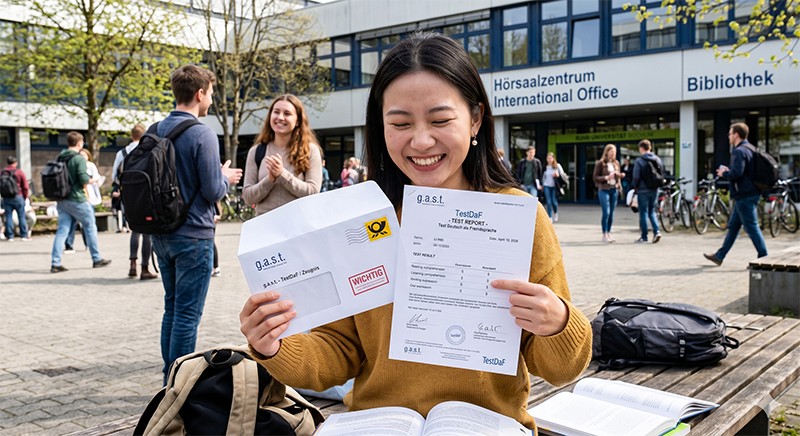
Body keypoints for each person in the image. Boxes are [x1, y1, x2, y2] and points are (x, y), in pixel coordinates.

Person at [239, 33, 592, 432]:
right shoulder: (360, 219)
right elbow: (337, 352)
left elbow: (562, 369)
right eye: (400, 123)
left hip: (486, 425)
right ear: (380, 126)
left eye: (441, 120)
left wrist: (559, 321)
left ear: (475, 118)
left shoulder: (518, 217)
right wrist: (274, 345)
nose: (421, 141)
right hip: (378, 424)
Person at [151, 65, 242, 384]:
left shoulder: (155, 129)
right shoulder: (202, 132)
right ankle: (177, 384)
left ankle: (167, 376)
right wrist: (225, 177)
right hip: (193, 236)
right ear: (200, 93)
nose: (212, 100)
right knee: (187, 315)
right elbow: (212, 190)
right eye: (212, 93)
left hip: (161, 235)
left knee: (172, 308)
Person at [242, 94, 321, 216]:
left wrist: (282, 174)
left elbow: (313, 192)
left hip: (298, 227)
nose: (280, 117)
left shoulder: (310, 150)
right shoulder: (256, 151)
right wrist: (269, 180)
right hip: (265, 228)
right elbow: (248, 198)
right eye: (276, 112)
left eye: (287, 114)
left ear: (298, 121)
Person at [704, 123, 768, 266]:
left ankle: (764, 257)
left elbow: (737, 173)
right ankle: (719, 256)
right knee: (733, 226)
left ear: (736, 135)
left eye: (730, 133)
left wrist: (724, 173)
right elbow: (743, 171)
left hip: (744, 194)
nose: (728, 136)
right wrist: (730, 170)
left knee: (751, 227)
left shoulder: (739, 151)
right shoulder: (750, 149)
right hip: (749, 193)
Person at [50, 132, 112, 272]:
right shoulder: (78, 159)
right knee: (90, 227)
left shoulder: (59, 156)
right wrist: (94, 180)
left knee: (62, 231)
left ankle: (55, 262)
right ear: (79, 143)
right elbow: (84, 180)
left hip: (62, 199)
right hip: (77, 199)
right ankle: (96, 258)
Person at [64, 148, 102, 252]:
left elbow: (97, 180)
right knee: (73, 222)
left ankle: (89, 244)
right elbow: (84, 180)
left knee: (88, 223)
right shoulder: (75, 163)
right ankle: (69, 245)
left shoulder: (91, 166)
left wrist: (94, 180)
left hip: (89, 197)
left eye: (84, 155)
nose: (82, 157)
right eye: (81, 155)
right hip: (78, 196)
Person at [111, 125, 146, 233]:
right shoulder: (147, 150)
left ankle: (126, 227)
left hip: (127, 189)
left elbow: (114, 175)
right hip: (144, 188)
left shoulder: (121, 153)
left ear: (131, 136)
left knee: (130, 216)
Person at [632, 139, 662, 244]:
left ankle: (644, 237)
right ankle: (657, 231)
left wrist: (635, 187)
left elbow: (636, 176)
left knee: (643, 212)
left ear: (641, 149)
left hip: (643, 190)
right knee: (652, 211)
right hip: (654, 189)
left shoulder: (639, 161)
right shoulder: (657, 159)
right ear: (650, 148)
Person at [593, 143, 625, 243]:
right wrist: (606, 177)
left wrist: (619, 176)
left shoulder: (616, 163)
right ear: (607, 152)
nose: (613, 154)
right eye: (612, 152)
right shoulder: (600, 163)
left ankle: (609, 233)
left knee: (611, 213)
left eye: (614, 152)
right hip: (603, 189)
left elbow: (617, 175)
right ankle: (604, 234)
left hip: (614, 189)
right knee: (606, 212)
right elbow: (595, 177)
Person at [2, 156, 30, 242]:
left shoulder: (2, 172)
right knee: (21, 216)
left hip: (6, 197)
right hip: (18, 196)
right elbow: (25, 186)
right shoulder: (19, 172)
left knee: (8, 216)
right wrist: (25, 197)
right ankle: (23, 235)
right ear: (15, 163)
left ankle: (10, 236)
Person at [542, 152, 564, 223]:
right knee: (548, 202)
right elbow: (543, 177)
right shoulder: (545, 167)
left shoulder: (557, 166)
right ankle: (550, 216)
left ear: (553, 158)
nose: (549, 160)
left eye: (550, 158)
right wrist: (542, 185)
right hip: (546, 186)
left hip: (554, 186)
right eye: (548, 158)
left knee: (554, 202)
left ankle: (556, 213)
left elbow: (563, 175)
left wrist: (558, 174)